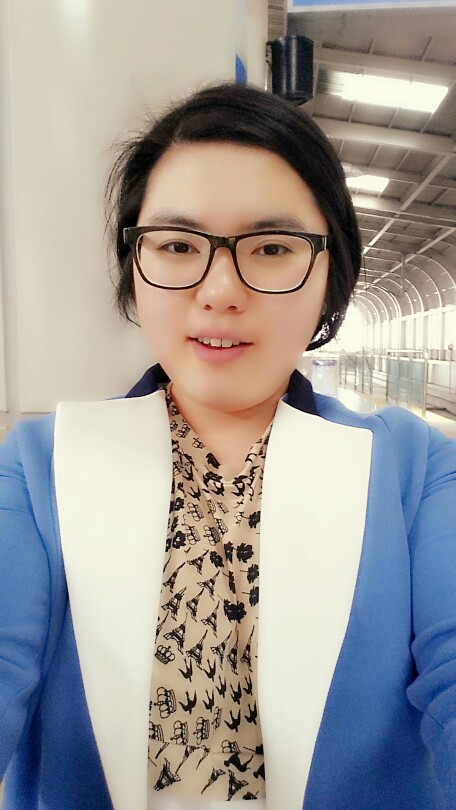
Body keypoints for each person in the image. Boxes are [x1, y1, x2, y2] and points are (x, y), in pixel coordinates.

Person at [0, 82, 455, 810]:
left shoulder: (416, 471)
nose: (219, 291)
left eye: (271, 248)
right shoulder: (36, 471)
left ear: (330, 272)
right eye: (178, 245)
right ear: (135, 266)